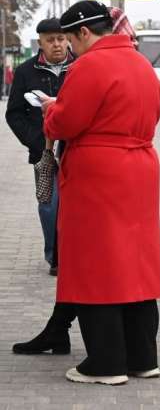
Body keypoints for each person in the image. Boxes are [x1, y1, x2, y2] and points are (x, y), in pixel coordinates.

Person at [40, 1, 160, 385]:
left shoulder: (90, 66)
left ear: (83, 33)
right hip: (140, 165)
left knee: (95, 264)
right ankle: (143, 358)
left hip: (99, 171)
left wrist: (50, 110)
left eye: (71, 39)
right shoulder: (141, 62)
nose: (70, 47)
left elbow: (66, 122)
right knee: (135, 263)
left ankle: (106, 363)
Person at [5, 18, 76, 275]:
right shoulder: (26, 71)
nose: (57, 45)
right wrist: (37, 141)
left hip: (76, 150)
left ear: (68, 39)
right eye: (50, 40)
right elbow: (14, 114)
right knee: (49, 203)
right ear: (40, 43)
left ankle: (74, 254)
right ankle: (54, 257)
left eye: (61, 38)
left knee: (76, 205)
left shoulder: (81, 66)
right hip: (43, 153)